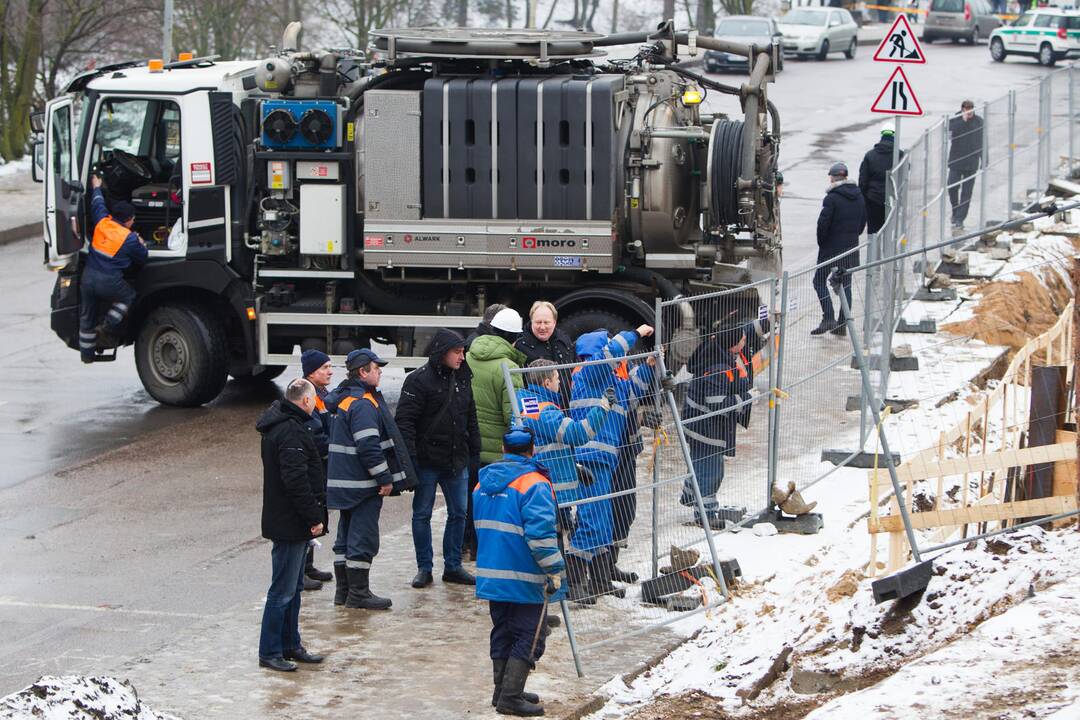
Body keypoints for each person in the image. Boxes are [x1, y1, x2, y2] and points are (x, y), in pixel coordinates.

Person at [474, 426, 566, 717]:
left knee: (502, 630)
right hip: (524, 574)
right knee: (530, 634)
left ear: (503, 450)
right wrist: (555, 570)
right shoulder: (535, 484)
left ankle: (502, 690)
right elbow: (540, 537)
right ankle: (510, 697)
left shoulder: (482, 483)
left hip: (492, 572)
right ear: (532, 450)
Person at [567, 326, 655, 601]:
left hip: (605, 461)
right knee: (591, 522)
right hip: (590, 460)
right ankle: (574, 584)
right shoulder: (587, 375)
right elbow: (612, 352)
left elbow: (634, 391)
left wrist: (650, 366)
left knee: (604, 523)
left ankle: (600, 581)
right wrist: (635, 334)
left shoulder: (612, 384)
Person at [326, 348, 417, 610]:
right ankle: (359, 594)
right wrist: (385, 478)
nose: (380, 373)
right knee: (362, 538)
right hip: (362, 485)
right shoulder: (363, 404)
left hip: (345, 484)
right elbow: (368, 446)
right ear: (363, 372)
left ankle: (343, 592)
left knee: (344, 538)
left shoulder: (343, 399)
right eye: (376, 369)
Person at [516, 359, 612, 602]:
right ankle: (553, 597)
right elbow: (577, 434)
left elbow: (547, 445)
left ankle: (553, 595)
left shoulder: (527, 401)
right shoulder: (544, 410)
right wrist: (603, 407)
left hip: (543, 482)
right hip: (548, 489)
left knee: (551, 540)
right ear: (547, 381)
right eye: (558, 379)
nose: (561, 383)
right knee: (551, 543)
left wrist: (575, 467)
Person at [395, 329, 481, 589]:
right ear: (442, 352)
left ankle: (453, 566)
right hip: (426, 460)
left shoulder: (463, 377)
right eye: (457, 352)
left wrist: (474, 452)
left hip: (457, 460)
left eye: (463, 352)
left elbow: (470, 416)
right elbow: (405, 423)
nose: (462, 357)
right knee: (422, 514)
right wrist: (409, 461)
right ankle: (425, 568)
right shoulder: (418, 380)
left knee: (459, 513)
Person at [255, 378, 327, 672]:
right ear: (306, 401)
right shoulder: (290, 432)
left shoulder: (287, 425)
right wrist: (313, 518)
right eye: (314, 401)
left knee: (293, 588)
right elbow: (296, 481)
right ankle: (270, 650)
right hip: (289, 522)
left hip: (289, 521)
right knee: (282, 590)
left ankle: (290, 644)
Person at [680, 320, 756, 529]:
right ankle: (706, 515)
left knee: (702, 465)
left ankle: (689, 495)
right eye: (742, 338)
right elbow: (717, 404)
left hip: (703, 426)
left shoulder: (722, 353)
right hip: (704, 429)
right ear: (733, 343)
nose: (745, 340)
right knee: (712, 472)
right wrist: (746, 399)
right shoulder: (718, 367)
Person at [465, 307, 527, 560]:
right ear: (514, 338)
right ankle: (484, 550)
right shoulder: (508, 367)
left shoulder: (468, 356)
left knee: (468, 499)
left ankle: (463, 545)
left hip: (468, 444)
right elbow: (513, 415)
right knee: (492, 504)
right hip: (495, 452)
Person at [79, 176, 148, 363]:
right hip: (109, 282)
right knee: (128, 297)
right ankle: (108, 326)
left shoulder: (102, 222)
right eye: (133, 219)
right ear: (127, 221)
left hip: (87, 279)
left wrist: (96, 187)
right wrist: (141, 242)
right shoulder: (129, 238)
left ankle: (86, 355)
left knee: (87, 316)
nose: (133, 221)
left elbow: (97, 203)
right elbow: (143, 258)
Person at [812, 162, 866, 337]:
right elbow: (862, 223)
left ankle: (828, 317)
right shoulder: (859, 196)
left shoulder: (832, 198)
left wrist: (823, 242)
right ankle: (842, 324)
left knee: (819, 281)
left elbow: (823, 224)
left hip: (830, 249)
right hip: (850, 248)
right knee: (846, 285)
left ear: (833, 177)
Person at [300, 348, 334, 591]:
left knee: (317, 510)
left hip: (320, 463)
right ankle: (300, 569)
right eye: (325, 367)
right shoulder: (307, 396)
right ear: (312, 372)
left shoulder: (321, 393)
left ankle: (308, 566)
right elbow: (314, 432)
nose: (330, 371)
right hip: (313, 464)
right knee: (307, 513)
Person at [514, 301, 575, 408]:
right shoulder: (520, 345)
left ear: (554, 322)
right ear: (531, 321)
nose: (542, 327)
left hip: (565, 408)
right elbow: (520, 386)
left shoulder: (564, 340)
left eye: (546, 323)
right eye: (538, 322)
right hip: (537, 413)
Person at [947, 99, 984, 231]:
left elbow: (983, 142)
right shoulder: (955, 120)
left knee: (967, 192)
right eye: (966, 108)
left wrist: (984, 159)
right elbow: (951, 134)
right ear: (962, 109)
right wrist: (963, 120)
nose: (969, 111)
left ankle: (960, 219)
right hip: (956, 161)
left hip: (971, 162)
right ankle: (955, 210)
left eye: (971, 108)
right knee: (952, 187)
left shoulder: (979, 121)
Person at [858, 123, 899, 235]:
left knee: (873, 233)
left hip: (873, 200)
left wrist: (864, 200)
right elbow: (906, 171)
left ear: (881, 135)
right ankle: (889, 252)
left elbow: (862, 181)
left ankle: (874, 252)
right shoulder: (899, 155)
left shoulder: (870, 155)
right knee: (890, 233)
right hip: (892, 200)